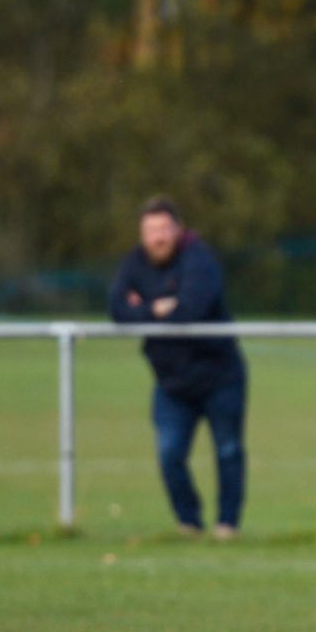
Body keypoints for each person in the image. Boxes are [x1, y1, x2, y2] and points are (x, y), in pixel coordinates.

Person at [110, 197, 248, 538]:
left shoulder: (199, 258)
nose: (157, 238)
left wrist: (144, 306)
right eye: (150, 231)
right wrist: (157, 308)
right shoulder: (134, 261)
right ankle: (189, 522)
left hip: (220, 376)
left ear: (178, 229)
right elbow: (115, 308)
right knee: (169, 454)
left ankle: (227, 524)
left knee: (228, 451)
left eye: (163, 229)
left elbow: (191, 309)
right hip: (171, 383)